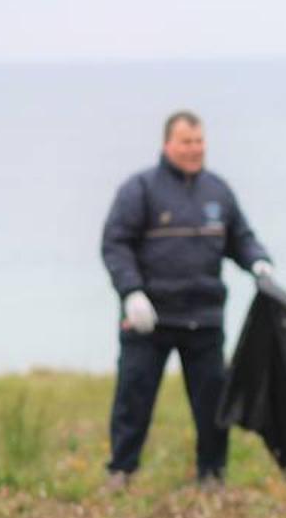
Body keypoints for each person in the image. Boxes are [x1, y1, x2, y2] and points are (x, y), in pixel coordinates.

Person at [101, 110, 273, 489]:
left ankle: (212, 473)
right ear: (167, 144)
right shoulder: (140, 189)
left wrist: (258, 261)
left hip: (204, 317)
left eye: (199, 141)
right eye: (186, 142)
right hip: (149, 317)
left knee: (212, 400)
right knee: (134, 396)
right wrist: (130, 291)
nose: (195, 149)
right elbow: (115, 244)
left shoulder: (218, 191)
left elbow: (240, 238)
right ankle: (121, 470)